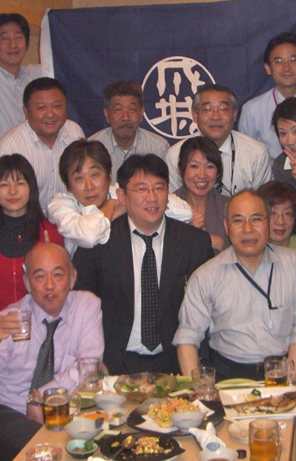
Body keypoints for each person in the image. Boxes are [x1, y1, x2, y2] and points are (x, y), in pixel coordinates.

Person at [0, 242, 104, 461]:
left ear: (73, 277)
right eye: (39, 276)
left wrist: (42, 398)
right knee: (50, 452)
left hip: (59, 412)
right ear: (26, 281)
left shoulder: (86, 306)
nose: (49, 285)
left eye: (58, 275)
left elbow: (89, 367)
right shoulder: (11, 319)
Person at [74, 154, 213, 374]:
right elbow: (79, 307)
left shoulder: (194, 243)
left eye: (159, 188)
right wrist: (94, 361)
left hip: (177, 363)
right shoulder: (99, 244)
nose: (152, 197)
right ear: (122, 195)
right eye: (141, 189)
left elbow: (207, 310)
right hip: (114, 364)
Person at [174, 190, 296, 381]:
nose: (248, 229)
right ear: (226, 226)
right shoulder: (206, 275)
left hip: (283, 371)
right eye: (238, 220)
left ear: (268, 223)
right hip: (227, 375)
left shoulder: (295, 265)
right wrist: (199, 388)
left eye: (256, 219)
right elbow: (187, 338)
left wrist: (288, 383)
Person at [0, 154, 64, 333]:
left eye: (20, 183)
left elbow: (60, 293)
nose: (12, 191)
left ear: (31, 187)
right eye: (4, 184)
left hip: (39, 334)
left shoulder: (50, 233)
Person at [47, 139, 192, 257]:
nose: (89, 186)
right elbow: (89, 236)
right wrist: (111, 206)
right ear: (68, 185)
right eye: (79, 178)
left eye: (95, 175)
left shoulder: (119, 193)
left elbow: (185, 213)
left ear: (109, 176)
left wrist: (128, 203)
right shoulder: (60, 205)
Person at [0, 77, 85, 210]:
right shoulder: (11, 146)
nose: (50, 114)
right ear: (26, 111)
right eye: (41, 108)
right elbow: (1, 198)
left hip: (71, 217)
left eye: (57, 106)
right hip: (28, 220)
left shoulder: (75, 132)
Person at [238, 32, 296, 157]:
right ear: (268, 68)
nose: (286, 67)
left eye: (293, 60)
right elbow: (246, 156)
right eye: (279, 61)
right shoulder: (252, 110)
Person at [166, 84, 271, 194]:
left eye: (223, 109)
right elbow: (174, 201)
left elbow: (262, 201)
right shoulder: (176, 155)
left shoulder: (257, 153)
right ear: (195, 115)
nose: (216, 117)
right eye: (208, 109)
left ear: (234, 114)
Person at [89, 80, 170, 178]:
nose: (125, 117)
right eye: (118, 110)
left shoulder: (159, 148)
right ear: (106, 114)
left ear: (141, 113)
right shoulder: (91, 148)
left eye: (132, 109)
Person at [174, 136, 231, 253]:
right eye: (194, 166)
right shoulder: (167, 206)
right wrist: (190, 234)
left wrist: (220, 243)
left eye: (209, 166)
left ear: (218, 172)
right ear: (181, 168)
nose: (202, 175)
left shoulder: (230, 206)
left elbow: (243, 251)